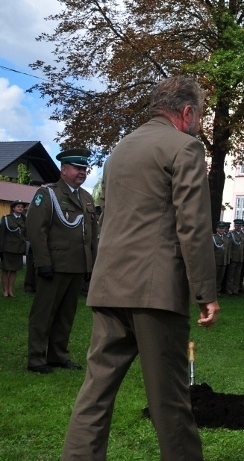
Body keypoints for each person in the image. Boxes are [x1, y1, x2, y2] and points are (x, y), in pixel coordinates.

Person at [61, 75, 220, 460]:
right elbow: (194, 226)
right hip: (155, 290)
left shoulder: (120, 150)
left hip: (108, 284)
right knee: (170, 399)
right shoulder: (185, 147)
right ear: (187, 112)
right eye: (198, 115)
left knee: (95, 392)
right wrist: (205, 293)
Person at [26, 148, 98, 373]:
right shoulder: (47, 194)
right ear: (63, 169)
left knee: (66, 315)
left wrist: (91, 264)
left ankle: (58, 355)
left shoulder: (86, 197)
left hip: (77, 265)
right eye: (77, 168)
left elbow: (91, 235)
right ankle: (36, 358)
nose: (82, 172)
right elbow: (37, 230)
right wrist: (43, 262)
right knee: (44, 313)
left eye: (84, 169)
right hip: (55, 264)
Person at [1, 200, 28, 297]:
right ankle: (5, 291)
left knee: (14, 270)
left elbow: (26, 234)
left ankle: (10, 290)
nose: (21, 208)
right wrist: (0, 249)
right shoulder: (6, 219)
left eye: (22, 207)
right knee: (5, 269)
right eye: (18, 206)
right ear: (13, 208)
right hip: (7, 248)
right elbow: (1, 235)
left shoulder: (25, 219)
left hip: (18, 248)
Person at [225, 218, 244, 295]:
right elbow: (229, 247)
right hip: (233, 258)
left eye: (240, 225)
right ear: (234, 225)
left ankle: (235, 290)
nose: (239, 227)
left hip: (240, 258)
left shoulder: (243, 235)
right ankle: (229, 290)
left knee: (237, 275)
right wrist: (229, 257)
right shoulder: (231, 234)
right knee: (231, 275)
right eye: (237, 225)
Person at [213, 221, 231, 293]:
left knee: (220, 277)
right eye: (220, 228)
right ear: (217, 229)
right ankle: (213, 291)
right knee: (215, 277)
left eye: (222, 228)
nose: (221, 230)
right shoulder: (214, 237)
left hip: (223, 261)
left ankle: (218, 290)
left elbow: (228, 250)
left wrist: (228, 260)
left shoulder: (226, 238)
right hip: (216, 260)